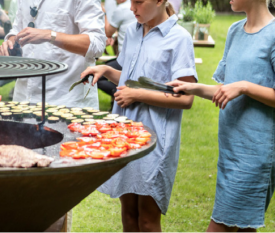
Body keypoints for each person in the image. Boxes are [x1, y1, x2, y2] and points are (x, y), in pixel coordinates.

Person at [168, 0, 275, 231]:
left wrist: (245, 86)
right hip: (230, 149)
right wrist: (191, 88)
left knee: (220, 227)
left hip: (256, 154)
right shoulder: (235, 31)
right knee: (244, 228)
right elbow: (227, 90)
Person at [81, 0, 197, 231]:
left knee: (147, 220)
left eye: (138, 2)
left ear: (160, 1)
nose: (132, 8)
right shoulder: (133, 31)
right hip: (124, 137)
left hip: (155, 142)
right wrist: (105, 70)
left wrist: (138, 95)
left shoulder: (179, 38)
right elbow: (129, 78)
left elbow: (186, 98)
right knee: (129, 215)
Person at [0, 0, 107, 108]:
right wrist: (11, 41)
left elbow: (97, 44)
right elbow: (18, 28)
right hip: (23, 96)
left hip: (65, 100)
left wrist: (50, 35)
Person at [99, 0, 136, 110]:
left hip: (125, 60)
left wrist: (104, 13)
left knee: (98, 78)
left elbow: (108, 32)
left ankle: (119, 94)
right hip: (125, 59)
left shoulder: (123, 9)